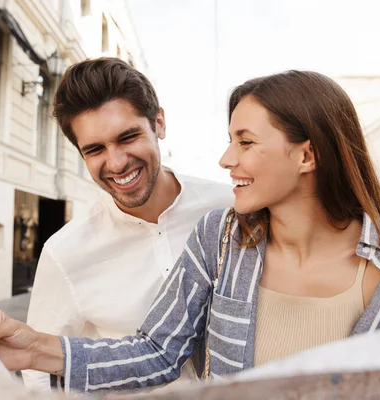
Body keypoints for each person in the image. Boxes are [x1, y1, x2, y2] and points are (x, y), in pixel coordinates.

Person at [0, 70, 380, 393]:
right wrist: (34, 349)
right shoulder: (220, 238)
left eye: (246, 142)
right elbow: (158, 351)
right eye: (95, 148)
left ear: (306, 156)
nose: (225, 160)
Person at [22, 58, 233, 390]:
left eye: (128, 137)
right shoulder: (65, 252)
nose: (117, 163)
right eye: (95, 149)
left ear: (159, 123)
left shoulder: (230, 210)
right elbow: (39, 376)